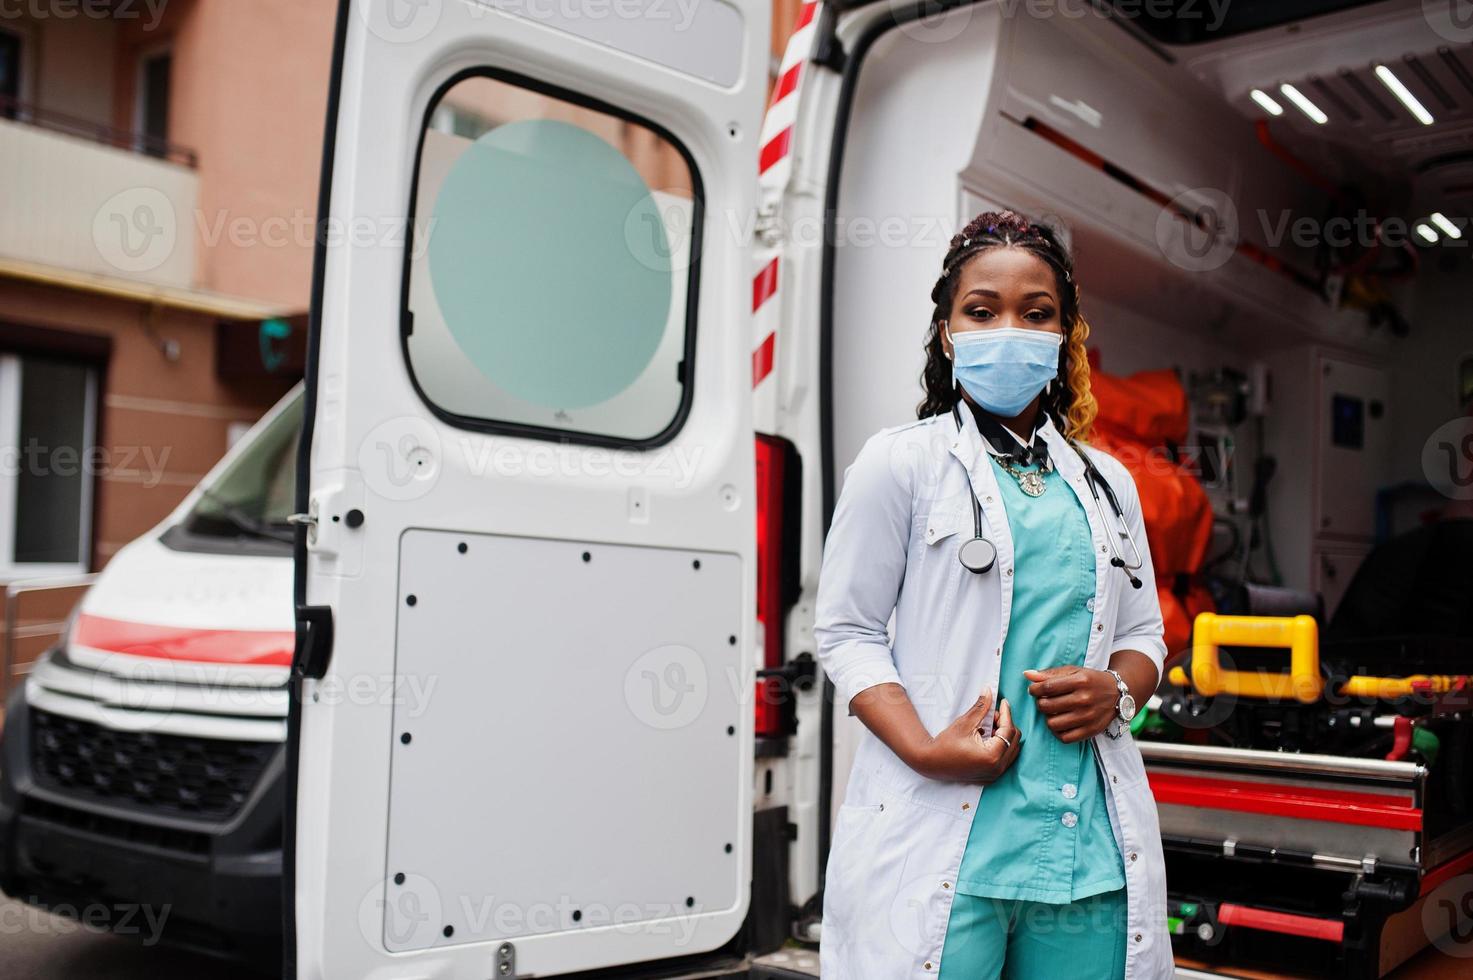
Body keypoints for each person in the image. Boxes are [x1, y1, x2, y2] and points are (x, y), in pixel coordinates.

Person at [814, 211, 1171, 978]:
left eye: (1034, 313)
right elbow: (846, 630)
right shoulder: (899, 464)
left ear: (1063, 336)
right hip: (947, 837)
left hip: (1086, 852)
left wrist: (1115, 689)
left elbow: (1145, 634)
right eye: (981, 310)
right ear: (947, 332)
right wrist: (921, 746)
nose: (1007, 328)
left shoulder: (1108, 483)